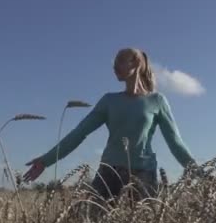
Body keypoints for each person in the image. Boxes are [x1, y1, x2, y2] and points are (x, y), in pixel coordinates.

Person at [23, 47, 196, 202]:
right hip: (108, 173)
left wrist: (200, 172)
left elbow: (175, 142)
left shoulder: (157, 101)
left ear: (135, 63)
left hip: (143, 175)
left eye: (120, 60)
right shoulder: (109, 101)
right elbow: (79, 133)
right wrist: (46, 160)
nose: (114, 66)